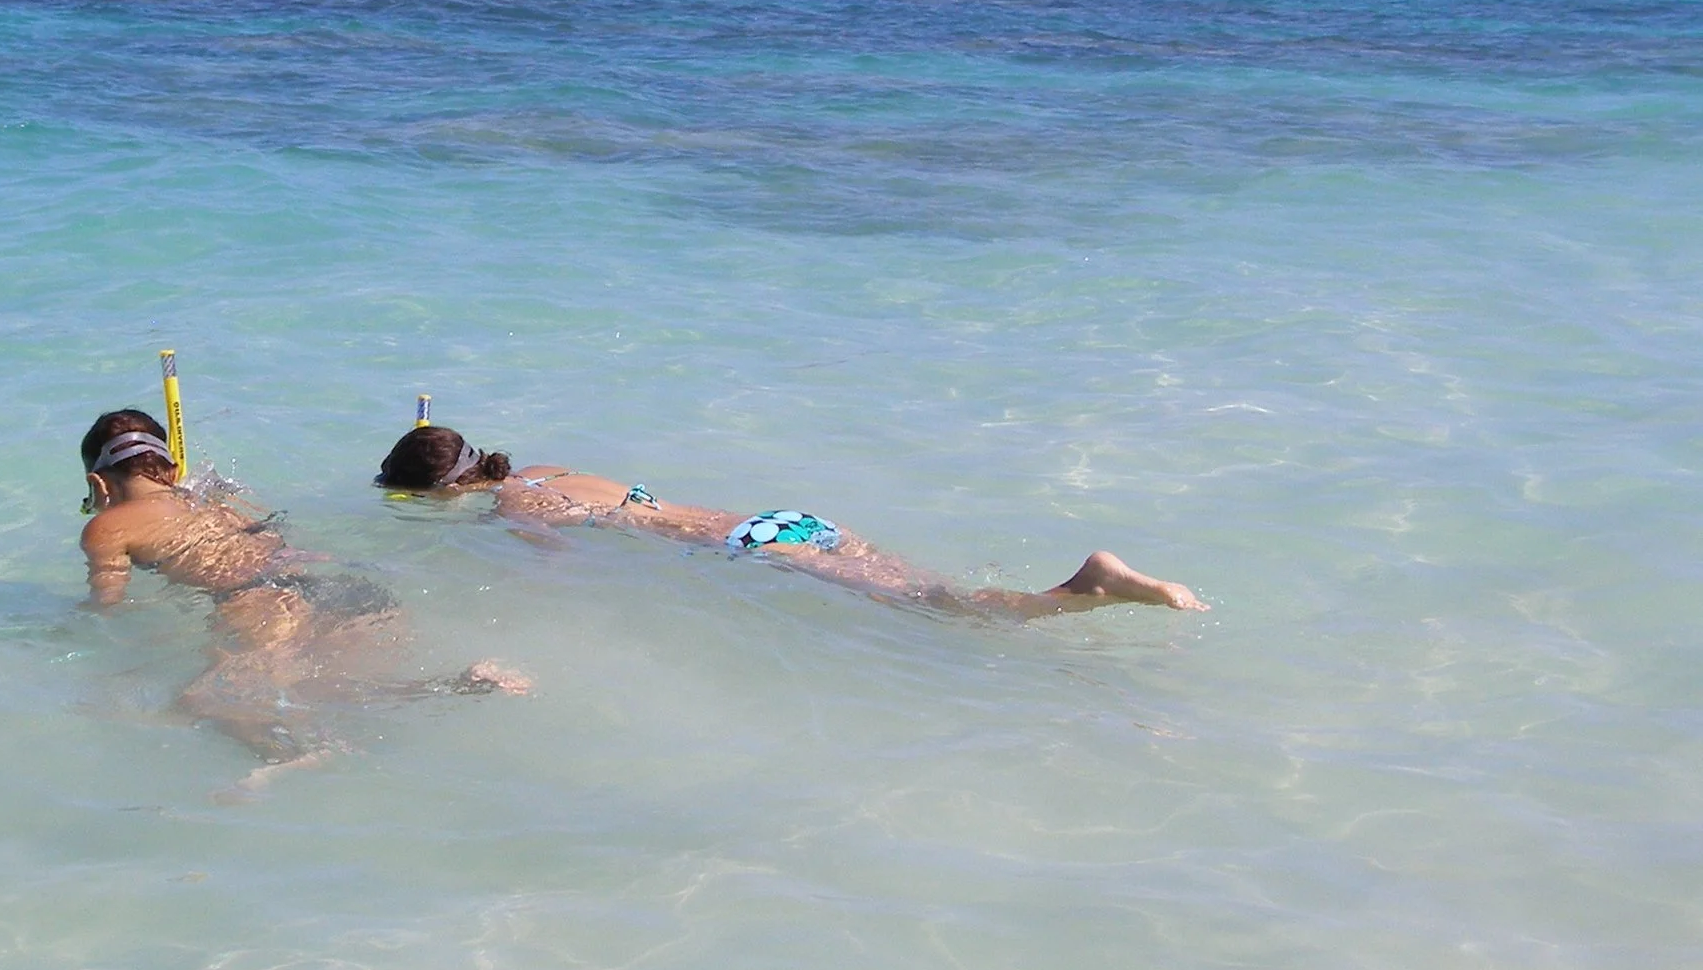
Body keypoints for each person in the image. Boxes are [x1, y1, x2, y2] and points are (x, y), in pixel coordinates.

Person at [78, 410, 527, 780]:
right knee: (331, 688)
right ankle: (460, 684)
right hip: (341, 584)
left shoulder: (107, 525)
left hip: (259, 603)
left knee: (202, 699)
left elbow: (109, 606)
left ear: (98, 484)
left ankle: (289, 755)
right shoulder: (218, 498)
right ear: (172, 468)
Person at [374, 424, 1204, 618]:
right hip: (775, 519)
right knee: (931, 592)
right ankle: (1078, 588)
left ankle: (1087, 585)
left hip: (747, 546)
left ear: (446, 490)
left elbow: (549, 563)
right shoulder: (548, 466)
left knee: (949, 616)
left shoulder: (518, 503)